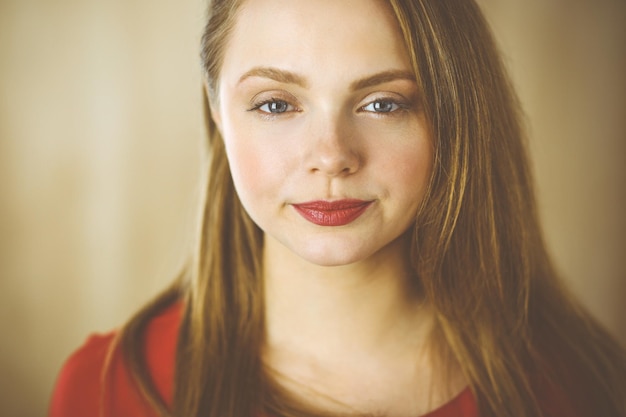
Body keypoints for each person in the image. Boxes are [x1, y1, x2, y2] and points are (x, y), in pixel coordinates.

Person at [48, 0, 626, 416]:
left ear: (453, 115)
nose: (331, 157)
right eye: (275, 104)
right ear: (218, 113)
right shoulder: (108, 389)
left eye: (383, 103)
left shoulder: (580, 384)